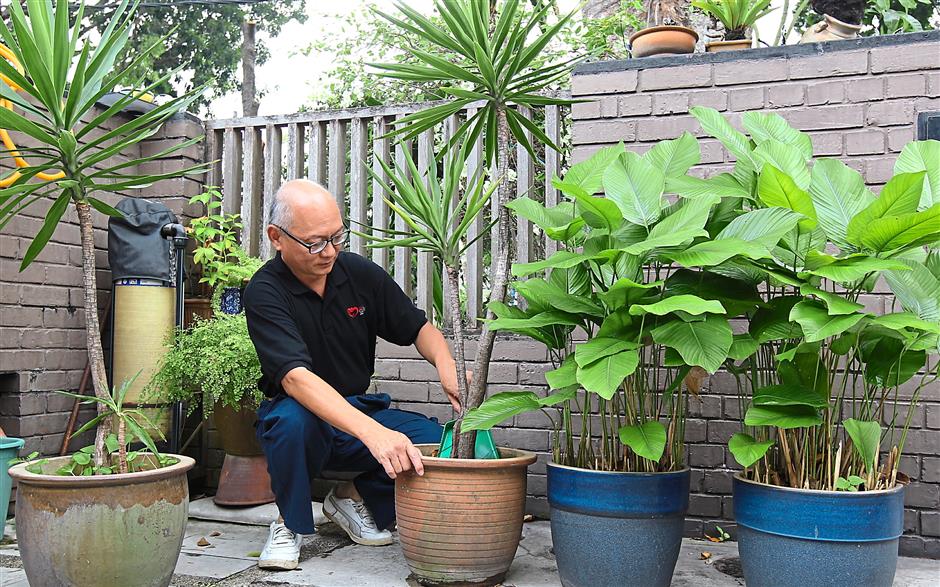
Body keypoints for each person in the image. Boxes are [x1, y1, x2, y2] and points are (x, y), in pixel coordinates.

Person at [242, 179, 463, 570]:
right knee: (291, 423)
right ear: (277, 237)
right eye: (315, 242)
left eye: (336, 237)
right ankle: (288, 524)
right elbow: (295, 378)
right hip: (298, 412)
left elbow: (417, 328)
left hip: (356, 408)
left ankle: (352, 496)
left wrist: (446, 366)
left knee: (433, 442)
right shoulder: (265, 291)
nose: (328, 252)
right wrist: (374, 434)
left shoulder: (358, 273)